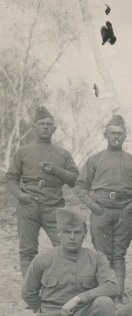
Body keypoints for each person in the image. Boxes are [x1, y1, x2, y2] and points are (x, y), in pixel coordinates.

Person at [22, 209, 118, 316]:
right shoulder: (43, 259)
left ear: (84, 234)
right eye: (67, 232)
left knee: (104, 302)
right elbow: (28, 293)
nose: (72, 237)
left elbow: (112, 286)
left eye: (77, 232)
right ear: (58, 233)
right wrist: (46, 315)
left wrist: (78, 299)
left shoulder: (96, 258)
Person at [75, 115, 132, 302]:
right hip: (101, 211)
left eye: (119, 134)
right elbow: (80, 186)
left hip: (124, 211)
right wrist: (93, 206)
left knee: (119, 255)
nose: (116, 136)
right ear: (105, 135)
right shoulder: (95, 160)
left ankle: (117, 294)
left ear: (125, 137)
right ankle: (104, 296)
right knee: (103, 255)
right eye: (112, 133)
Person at [6, 106, 79, 277]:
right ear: (34, 127)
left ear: (54, 129)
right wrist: (20, 195)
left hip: (54, 204)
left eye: (48, 124)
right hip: (28, 204)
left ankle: (65, 285)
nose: (45, 127)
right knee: (27, 249)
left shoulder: (63, 154)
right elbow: (10, 178)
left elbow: (75, 179)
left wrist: (57, 171)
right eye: (41, 124)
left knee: (65, 245)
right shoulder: (22, 152)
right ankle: (30, 288)